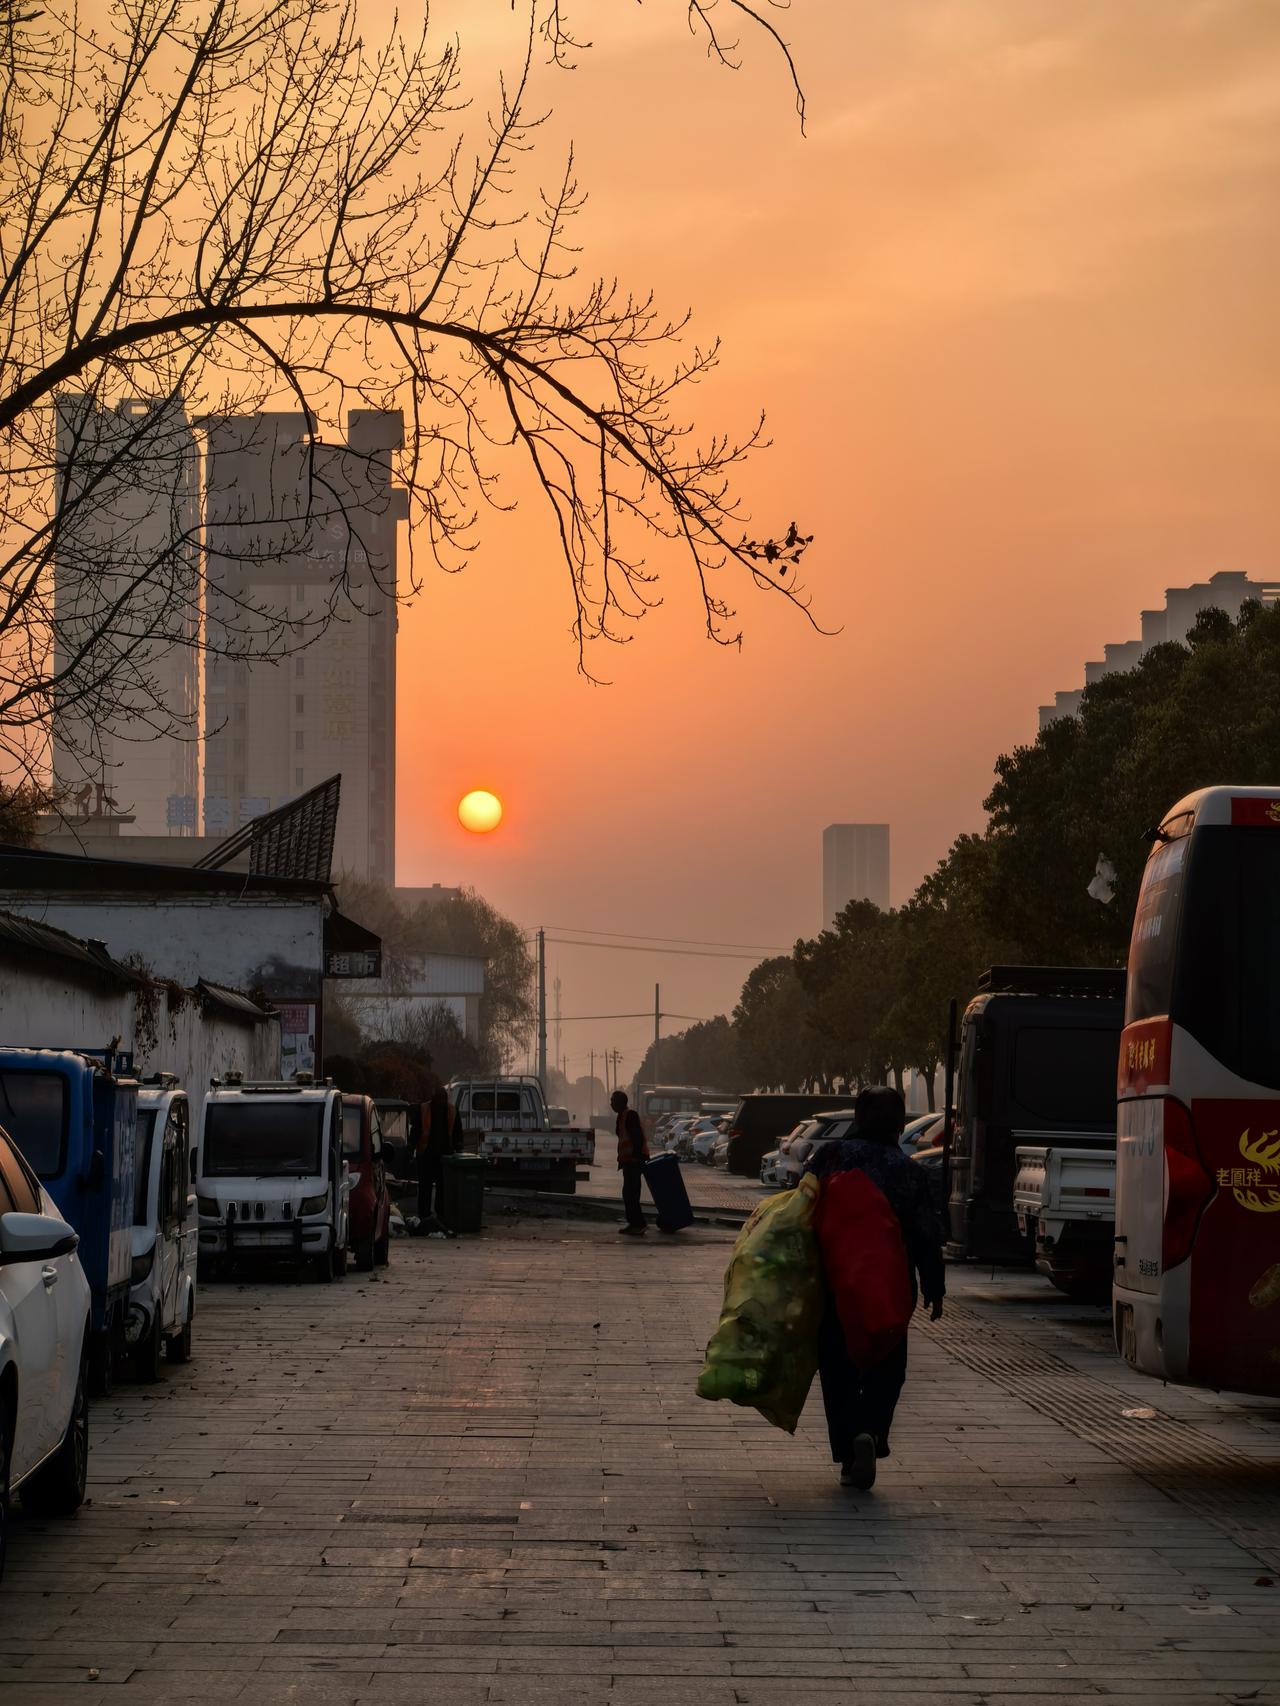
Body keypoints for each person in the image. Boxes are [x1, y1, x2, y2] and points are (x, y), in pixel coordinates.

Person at [806, 1084, 945, 1490]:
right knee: (887, 1366)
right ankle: (871, 1429)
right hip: (890, 1285)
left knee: (838, 1367)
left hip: (835, 1282)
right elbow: (926, 1235)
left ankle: (851, 1453)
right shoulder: (909, 1171)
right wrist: (934, 1286)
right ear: (899, 1123)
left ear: (858, 1117)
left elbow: (800, 1210)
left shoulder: (831, 1157)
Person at [416, 1085, 458, 1230]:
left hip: (443, 1156)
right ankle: (427, 1215)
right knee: (429, 1187)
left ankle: (433, 1215)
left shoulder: (451, 1111)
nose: (440, 1102)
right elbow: (417, 1130)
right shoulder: (424, 1109)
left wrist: (457, 1146)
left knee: (439, 1187)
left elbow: (457, 1131)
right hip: (428, 1154)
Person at [612, 1088, 650, 1235]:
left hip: (634, 1161)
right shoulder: (622, 1116)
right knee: (629, 1193)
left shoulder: (630, 1115)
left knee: (631, 1193)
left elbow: (637, 1137)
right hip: (628, 1161)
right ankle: (634, 1223)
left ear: (620, 1103)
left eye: (613, 1101)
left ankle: (638, 1224)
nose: (611, 1104)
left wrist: (635, 1157)